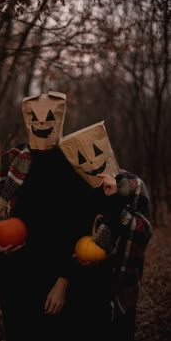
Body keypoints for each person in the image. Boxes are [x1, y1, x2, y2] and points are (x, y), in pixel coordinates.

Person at [0, 91, 82, 341]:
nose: (40, 124)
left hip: (54, 272)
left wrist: (64, 281)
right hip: (14, 273)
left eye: (48, 118)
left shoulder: (73, 165)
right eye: (34, 118)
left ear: (60, 119)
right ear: (26, 119)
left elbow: (79, 225)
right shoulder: (12, 161)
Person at [58, 122, 153, 341]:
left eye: (96, 153)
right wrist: (74, 260)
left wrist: (115, 202)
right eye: (82, 158)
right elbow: (67, 232)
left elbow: (142, 233)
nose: (91, 162)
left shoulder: (132, 186)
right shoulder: (76, 188)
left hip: (116, 283)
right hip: (81, 286)